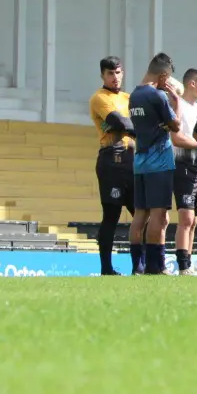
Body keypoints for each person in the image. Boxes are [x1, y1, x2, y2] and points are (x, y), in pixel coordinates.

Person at [128, 53, 181, 275]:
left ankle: (138, 266)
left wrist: (163, 125)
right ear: (163, 75)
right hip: (159, 162)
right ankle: (153, 266)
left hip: (140, 161)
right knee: (159, 215)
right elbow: (176, 126)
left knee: (141, 215)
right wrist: (176, 103)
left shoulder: (134, 96)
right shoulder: (157, 95)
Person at [89, 56, 142, 276]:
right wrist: (140, 130)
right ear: (103, 75)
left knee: (140, 213)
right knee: (111, 215)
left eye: (118, 73)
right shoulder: (99, 98)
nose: (115, 77)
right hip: (112, 159)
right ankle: (106, 269)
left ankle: (139, 266)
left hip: (131, 158)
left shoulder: (129, 98)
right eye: (110, 73)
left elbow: (134, 123)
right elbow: (121, 122)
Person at [172, 68, 197, 275]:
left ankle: (189, 261)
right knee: (185, 217)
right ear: (192, 84)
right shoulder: (179, 106)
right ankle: (183, 265)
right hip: (183, 163)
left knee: (194, 219)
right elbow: (177, 137)